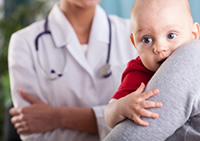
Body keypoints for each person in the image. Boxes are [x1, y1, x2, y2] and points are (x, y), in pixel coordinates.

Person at [7, 0, 146, 141]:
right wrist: (117, 116)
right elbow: (33, 131)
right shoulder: (24, 43)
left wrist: (59, 117)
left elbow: (145, 120)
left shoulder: (138, 34)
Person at [103, 0, 200, 140]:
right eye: (147, 40)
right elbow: (108, 116)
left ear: (194, 34)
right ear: (134, 43)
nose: (159, 47)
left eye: (171, 36)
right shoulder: (136, 73)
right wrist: (123, 106)